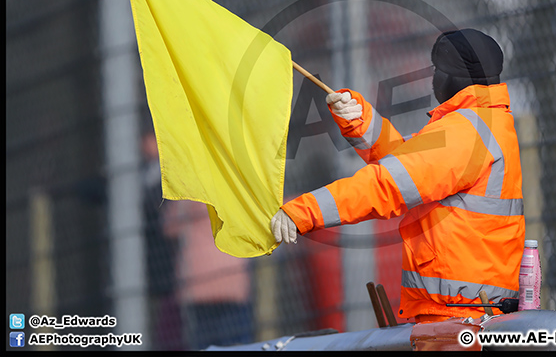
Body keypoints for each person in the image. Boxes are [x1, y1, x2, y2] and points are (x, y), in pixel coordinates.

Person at [271, 28, 526, 323]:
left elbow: (390, 183)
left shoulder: (467, 132)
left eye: (437, 70)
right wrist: (361, 121)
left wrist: (303, 213)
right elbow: (410, 165)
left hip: (461, 316)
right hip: (468, 309)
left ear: (452, 76)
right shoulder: (482, 123)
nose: (434, 79)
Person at [163, 198, 254, 349]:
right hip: (232, 279)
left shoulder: (187, 194)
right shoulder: (232, 191)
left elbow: (170, 228)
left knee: (204, 341)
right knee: (236, 340)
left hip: (199, 282)